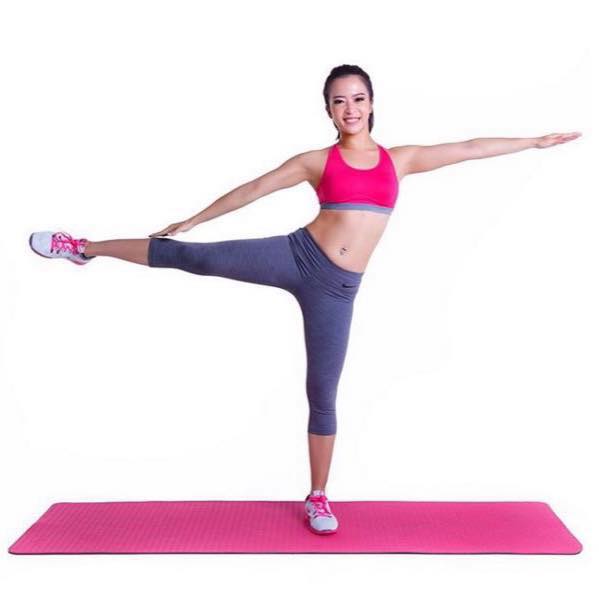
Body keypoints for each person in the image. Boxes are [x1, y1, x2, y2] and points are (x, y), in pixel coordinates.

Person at [28, 64, 581, 535]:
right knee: (192, 257)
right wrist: (195, 219)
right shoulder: (317, 160)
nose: (350, 109)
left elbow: (470, 148)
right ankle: (84, 248)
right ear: (328, 110)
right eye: (339, 101)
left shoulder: (401, 159)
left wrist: (532, 142)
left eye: (358, 99)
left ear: (372, 104)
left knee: (323, 391)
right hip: (295, 256)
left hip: (337, 291)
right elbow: (254, 188)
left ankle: (318, 496)